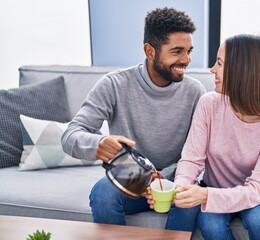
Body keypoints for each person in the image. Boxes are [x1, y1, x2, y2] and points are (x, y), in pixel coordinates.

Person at [61, 7, 206, 225]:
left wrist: (162, 179)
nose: (186, 60)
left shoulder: (195, 92)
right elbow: (70, 135)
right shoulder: (114, 84)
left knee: (189, 204)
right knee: (103, 194)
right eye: (177, 51)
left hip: (177, 179)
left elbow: (201, 153)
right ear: (150, 51)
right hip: (131, 177)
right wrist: (98, 143)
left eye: (189, 51)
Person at [152, 34, 260, 240]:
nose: (212, 70)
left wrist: (207, 196)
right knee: (211, 226)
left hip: (256, 192)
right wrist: (181, 188)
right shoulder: (209, 104)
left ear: (242, 72)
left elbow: (257, 189)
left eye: (219, 63)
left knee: (259, 220)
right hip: (214, 186)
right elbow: (192, 158)